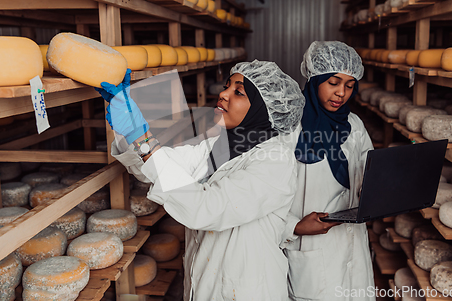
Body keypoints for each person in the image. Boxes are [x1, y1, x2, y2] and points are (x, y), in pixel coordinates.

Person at [97, 60, 305, 301]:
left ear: (263, 109)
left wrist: (143, 138)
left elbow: (207, 209)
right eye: (227, 86)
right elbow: (155, 169)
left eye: (238, 92)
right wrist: (129, 133)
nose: (223, 94)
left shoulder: (275, 161)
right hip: (207, 282)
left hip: (249, 289)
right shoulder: (218, 144)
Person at [282, 41, 375, 301]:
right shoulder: (291, 129)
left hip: (353, 245)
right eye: (333, 82)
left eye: (349, 85)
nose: (341, 93)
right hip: (310, 248)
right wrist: (294, 227)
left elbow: (370, 168)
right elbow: (266, 194)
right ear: (315, 79)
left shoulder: (354, 124)